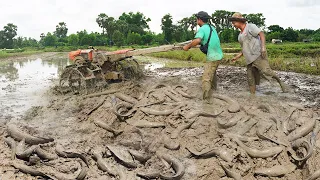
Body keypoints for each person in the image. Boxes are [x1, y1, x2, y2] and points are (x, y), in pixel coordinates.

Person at [229, 12, 287, 94]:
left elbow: (261, 34)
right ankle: (253, 96)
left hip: (258, 55)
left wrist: (263, 47)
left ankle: (280, 83)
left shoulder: (250, 27)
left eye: (234, 22)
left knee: (266, 72)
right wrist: (238, 56)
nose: (233, 25)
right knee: (250, 78)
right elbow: (244, 48)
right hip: (249, 59)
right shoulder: (239, 36)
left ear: (239, 21)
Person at [183, 11, 224, 101]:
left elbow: (197, 40)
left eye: (196, 19)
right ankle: (214, 91)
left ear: (199, 19)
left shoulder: (202, 29)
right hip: (219, 55)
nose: (196, 21)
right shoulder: (212, 28)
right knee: (212, 74)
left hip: (213, 57)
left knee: (206, 78)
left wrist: (187, 46)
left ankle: (206, 100)